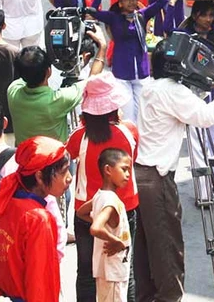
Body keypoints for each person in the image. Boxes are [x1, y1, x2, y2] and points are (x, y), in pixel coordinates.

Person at [133, 39, 214, 302]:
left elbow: (188, 104)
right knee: (168, 252)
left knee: (145, 252)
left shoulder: (151, 87)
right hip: (157, 180)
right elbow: (206, 116)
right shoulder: (172, 91)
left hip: (140, 176)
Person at [67, 73, 138, 302]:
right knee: (125, 270)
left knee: (86, 273)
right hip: (123, 209)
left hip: (87, 211)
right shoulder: (128, 131)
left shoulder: (80, 136)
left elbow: (70, 153)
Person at [0, 136, 70, 302]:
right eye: (64, 171)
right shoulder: (38, 218)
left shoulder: (5, 204)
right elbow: (40, 286)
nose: (69, 177)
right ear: (39, 176)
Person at [94, 0, 168, 124]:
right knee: (127, 120)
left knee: (143, 119)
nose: (132, 2)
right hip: (121, 75)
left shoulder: (142, 15)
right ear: (120, 2)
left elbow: (163, 0)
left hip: (142, 75)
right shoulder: (113, 17)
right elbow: (92, 10)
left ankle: (141, 147)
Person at [82, 148, 133, 302]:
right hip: (113, 272)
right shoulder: (111, 201)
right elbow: (95, 228)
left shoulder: (99, 196)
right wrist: (116, 241)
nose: (128, 175)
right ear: (108, 170)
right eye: (124, 169)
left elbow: (81, 212)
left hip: (106, 270)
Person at [8, 46, 84, 144]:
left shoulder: (12, 91)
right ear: (49, 71)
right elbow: (90, 83)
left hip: (23, 157)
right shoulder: (60, 99)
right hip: (54, 158)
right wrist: (101, 50)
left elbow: (26, 73)